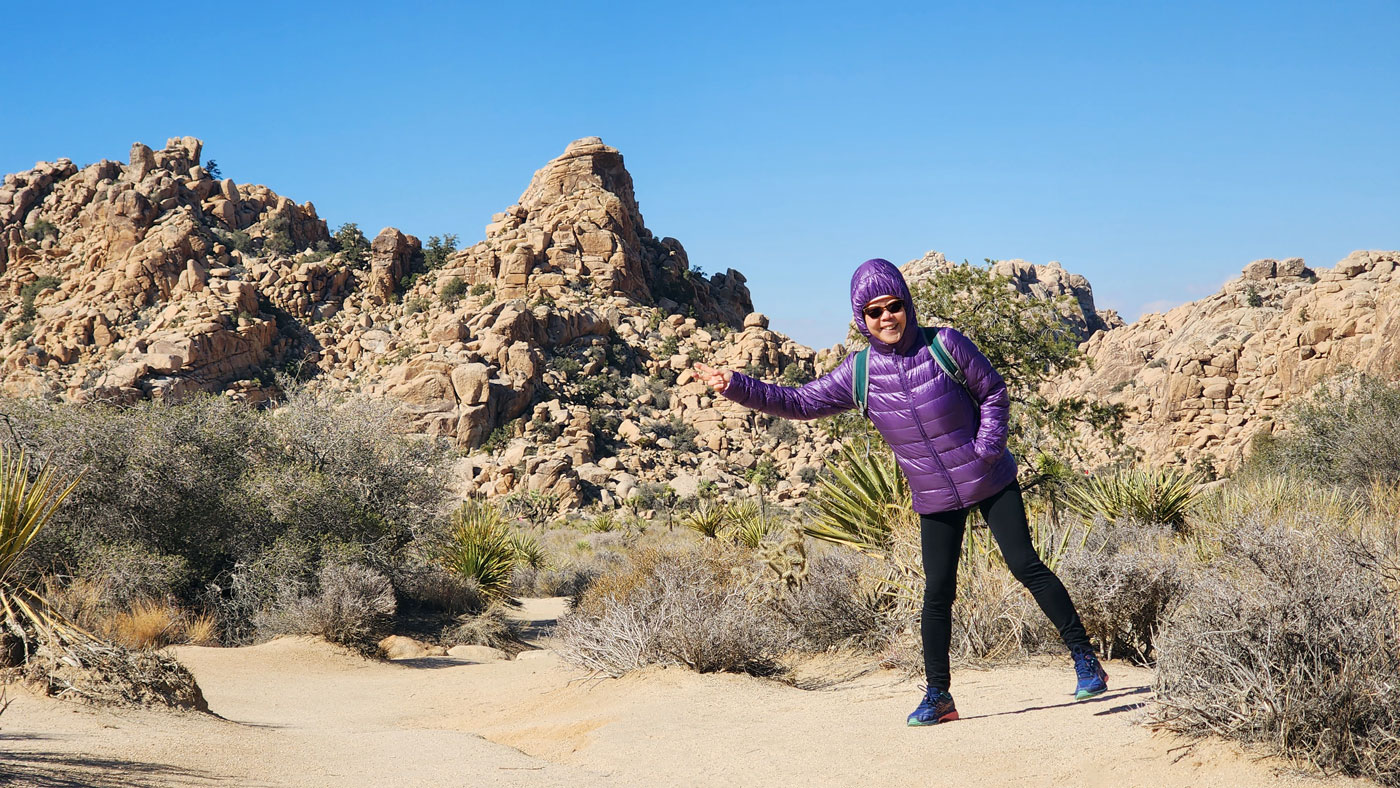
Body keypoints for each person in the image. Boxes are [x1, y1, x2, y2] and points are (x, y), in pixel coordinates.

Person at [692, 257, 1108, 727]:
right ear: (861, 319)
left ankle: (1085, 660)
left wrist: (988, 448)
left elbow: (992, 391)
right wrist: (736, 385)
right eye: (874, 311)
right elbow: (800, 402)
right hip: (934, 495)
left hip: (988, 476)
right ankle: (939, 696)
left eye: (894, 306)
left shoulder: (944, 344)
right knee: (937, 593)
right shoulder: (860, 372)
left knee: (1025, 565)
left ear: (907, 305)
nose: (886, 317)